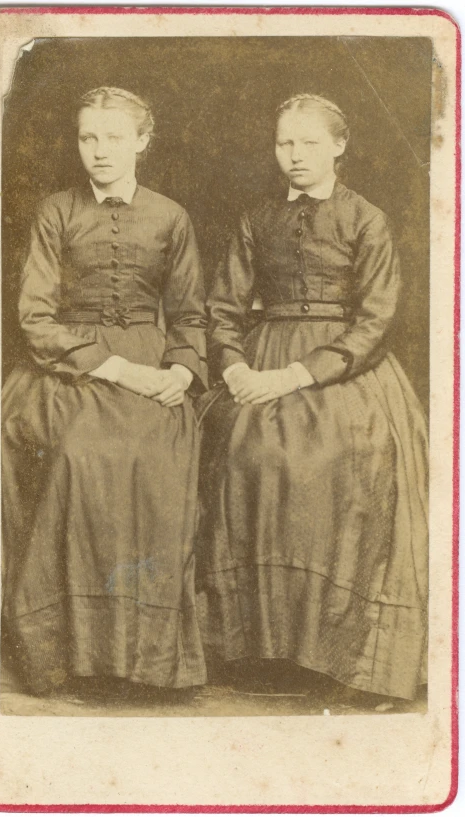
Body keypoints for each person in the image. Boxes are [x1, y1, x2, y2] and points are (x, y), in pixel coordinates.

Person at [197, 94, 428, 702]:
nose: (294, 156)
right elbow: (222, 307)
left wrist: (299, 374)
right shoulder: (256, 216)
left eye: (307, 143)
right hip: (261, 356)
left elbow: (377, 320)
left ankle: (340, 656)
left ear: (338, 146)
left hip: (345, 371)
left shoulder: (366, 219)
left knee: (344, 461)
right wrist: (236, 365)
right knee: (246, 457)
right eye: (284, 144)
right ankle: (256, 647)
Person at [2, 87, 208, 698]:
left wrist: (181, 373)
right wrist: (115, 368)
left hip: (155, 365)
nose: (99, 151)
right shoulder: (56, 211)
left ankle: (144, 659)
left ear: (142, 142)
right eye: (88, 137)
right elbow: (35, 319)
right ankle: (68, 653)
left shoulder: (171, 216)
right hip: (71, 367)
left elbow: (191, 315)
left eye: (114, 138)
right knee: (79, 454)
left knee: (155, 456)